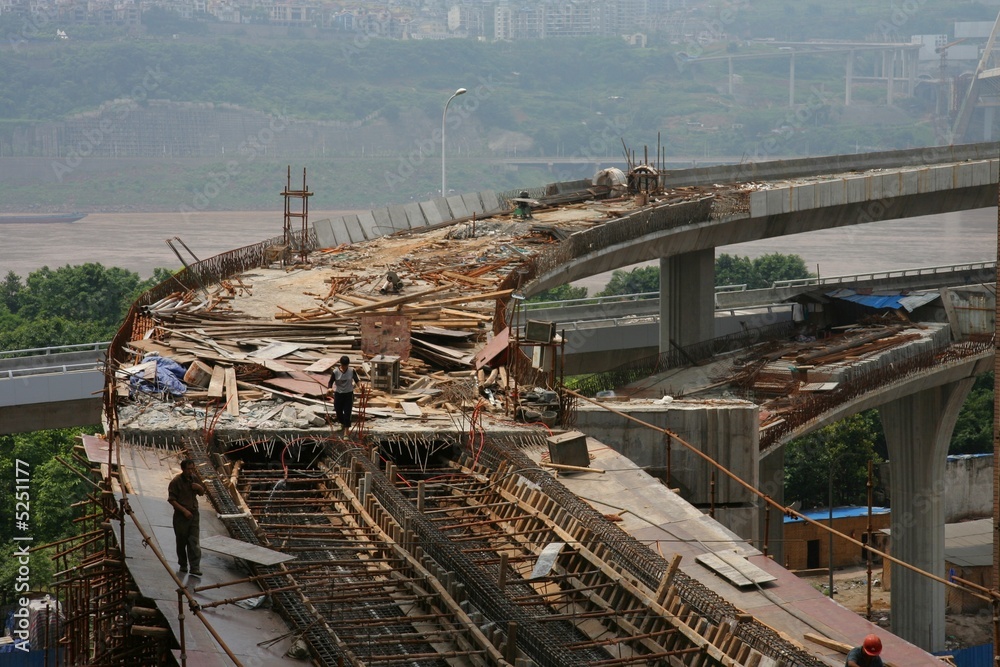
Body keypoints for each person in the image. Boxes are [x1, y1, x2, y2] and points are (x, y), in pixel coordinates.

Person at [168, 458, 205, 576]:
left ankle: (195, 567)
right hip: (181, 516)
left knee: (194, 541)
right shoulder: (176, 481)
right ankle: (183, 564)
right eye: (188, 469)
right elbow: (172, 500)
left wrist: (198, 488)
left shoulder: (194, 479)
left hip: (194, 514)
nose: (191, 471)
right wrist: (184, 511)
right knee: (181, 541)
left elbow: (202, 492)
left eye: (192, 469)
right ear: (183, 469)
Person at [328, 355, 360, 436]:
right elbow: (330, 382)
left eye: (346, 366)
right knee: (338, 410)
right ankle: (342, 423)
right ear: (341, 364)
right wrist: (329, 388)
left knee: (347, 412)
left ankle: (346, 431)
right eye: (343, 366)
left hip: (348, 394)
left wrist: (361, 387)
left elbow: (356, 380)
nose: (345, 367)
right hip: (339, 394)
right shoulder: (335, 372)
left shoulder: (351, 370)